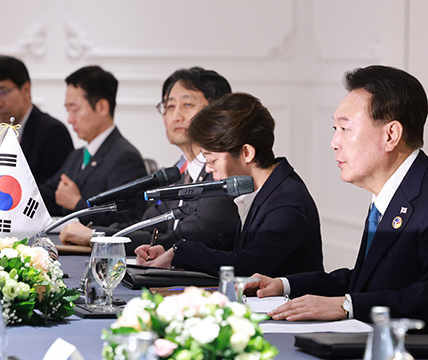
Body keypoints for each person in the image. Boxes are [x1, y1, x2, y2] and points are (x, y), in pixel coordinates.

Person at [244, 65, 428, 359]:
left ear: (391, 135)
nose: (334, 142)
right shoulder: (391, 194)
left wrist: (347, 305)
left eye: (345, 128)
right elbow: (371, 280)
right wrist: (285, 284)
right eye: (335, 129)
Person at [135, 93, 324, 277]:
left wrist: (180, 253)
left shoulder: (287, 199)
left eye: (213, 160)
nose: (208, 169)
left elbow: (249, 265)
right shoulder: (255, 189)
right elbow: (224, 243)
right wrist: (171, 252)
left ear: (247, 153)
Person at [59, 67, 239, 255]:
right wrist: (95, 234)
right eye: (169, 107)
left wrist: (95, 237)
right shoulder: (179, 174)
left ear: (217, 112)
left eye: (187, 105)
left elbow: (182, 240)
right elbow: (145, 227)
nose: (176, 116)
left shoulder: (222, 174)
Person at [39, 65, 148, 226]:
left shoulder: (125, 157)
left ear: (102, 107)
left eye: (75, 110)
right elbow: (46, 195)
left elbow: (130, 221)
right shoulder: (76, 156)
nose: (69, 119)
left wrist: (77, 204)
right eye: (67, 110)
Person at [0, 55, 73, 190]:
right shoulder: (12, 130)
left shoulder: (52, 131)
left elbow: (56, 195)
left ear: (26, 89)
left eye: (3, 92)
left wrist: (6, 176)